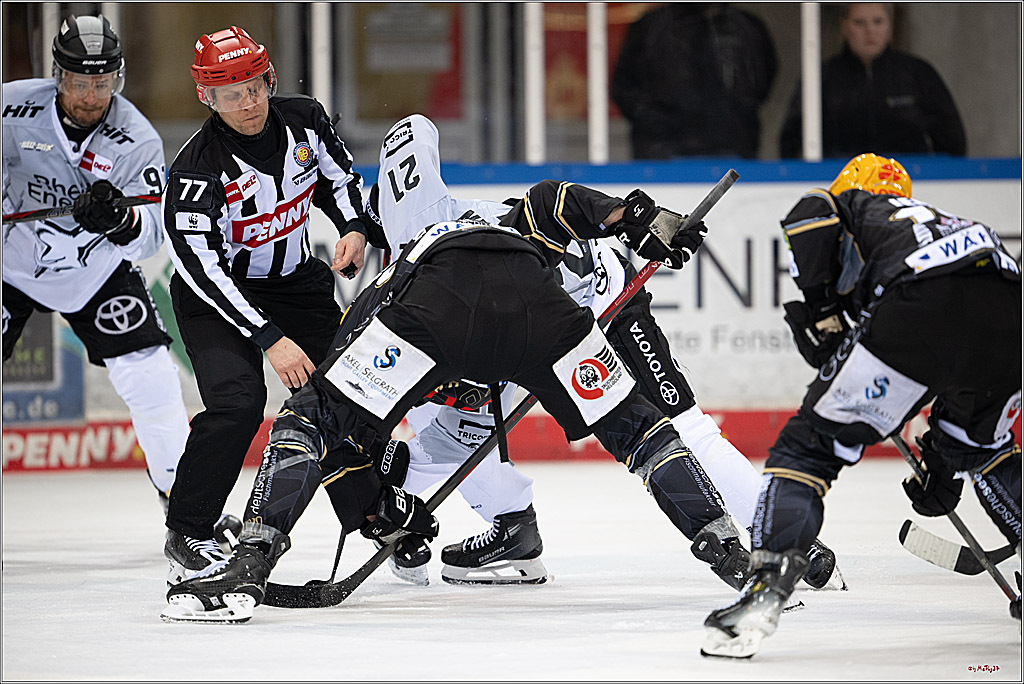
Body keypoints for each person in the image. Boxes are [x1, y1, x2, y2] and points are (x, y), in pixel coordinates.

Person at [161, 158, 757, 623]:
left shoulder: (406, 260)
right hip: (540, 313)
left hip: (435, 310)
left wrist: (373, 496)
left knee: (306, 419)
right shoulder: (509, 214)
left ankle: (248, 566)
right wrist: (644, 220)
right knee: (642, 430)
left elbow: (342, 413)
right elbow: (563, 199)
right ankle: (733, 552)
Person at [365, 114, 845, 592]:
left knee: (682, 426)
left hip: (604, 301)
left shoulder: (437, 249)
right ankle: (509, 528)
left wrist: (637, 218)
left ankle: (789, 537)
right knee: (445, 422)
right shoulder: (426, 239)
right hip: (538, 323)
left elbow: (553, 201)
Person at [701, 153, 1022, 658]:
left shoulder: (854, 205)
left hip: (919, 300)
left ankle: (766, 588)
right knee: (984, 446)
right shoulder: (940, 223)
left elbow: (810, 211)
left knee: (807, 448)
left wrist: (823, 312)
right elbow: (956, 348)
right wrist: (942, 463)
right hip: (1011, 311)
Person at [160, 26, 368, 587]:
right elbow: (200, 271)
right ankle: (189, 526)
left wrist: (352, 226)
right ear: (208, 97)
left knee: (347, 392)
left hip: (297, 283)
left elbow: (338, 179)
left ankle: (375, 515)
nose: (249, 103)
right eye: (233, 94)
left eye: (256, 87)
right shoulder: (195, 172)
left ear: (268, 79)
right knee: (238, 401)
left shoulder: (304, 118)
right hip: (219, 299)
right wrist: (270, 338)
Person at [2, 15, 188, 513]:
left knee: (152, 374)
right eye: (79, 82)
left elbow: (150, 235)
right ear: (58, 76)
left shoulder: (138, 139)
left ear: (117, 79)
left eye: (101, 83)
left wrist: (119, 222)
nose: (90, 95)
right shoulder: (11, 106)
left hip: (94, 274)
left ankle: (184, 501)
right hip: (10, 263)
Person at [779, 3, 966, 159]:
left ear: (889, 26)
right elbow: (791, 140)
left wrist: (939, 180)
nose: (870, 31)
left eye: (878, 22)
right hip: (842, 186)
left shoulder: (918, 73)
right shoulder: (822, 77)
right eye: (859, 23)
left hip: (906, 184)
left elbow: (952, 139)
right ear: (844, 26)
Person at [611, 3, 777, 159]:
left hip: (734, 148)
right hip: (661, 155)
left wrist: (740, 112)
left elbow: (763, 77)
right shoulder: (651, 26)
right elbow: (623, 85)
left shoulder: (746, 27)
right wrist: (653, 121)